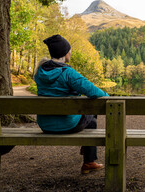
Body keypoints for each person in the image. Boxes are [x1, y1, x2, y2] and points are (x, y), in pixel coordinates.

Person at [34, 34, 109, 174]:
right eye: (69, 49)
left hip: (45, 125)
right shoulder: (68, 73)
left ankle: (87, 150)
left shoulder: (39, 72)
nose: (70, 52)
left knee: (89, 115)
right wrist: (109, 97)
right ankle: (89, 161)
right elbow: (94, 92)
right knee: (91, 117)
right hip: (67, 125)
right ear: (64, 53)